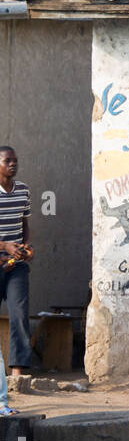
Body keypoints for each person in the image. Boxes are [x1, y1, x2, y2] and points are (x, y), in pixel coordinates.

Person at [0, 147, 34, 374]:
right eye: (7, 160)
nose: (13, 164)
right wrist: (4, 246)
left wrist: (25, 247)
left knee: (20, 315)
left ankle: (17, 374)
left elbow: (24, 223)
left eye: (15, 160)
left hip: (16, 266)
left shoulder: (23, 190)